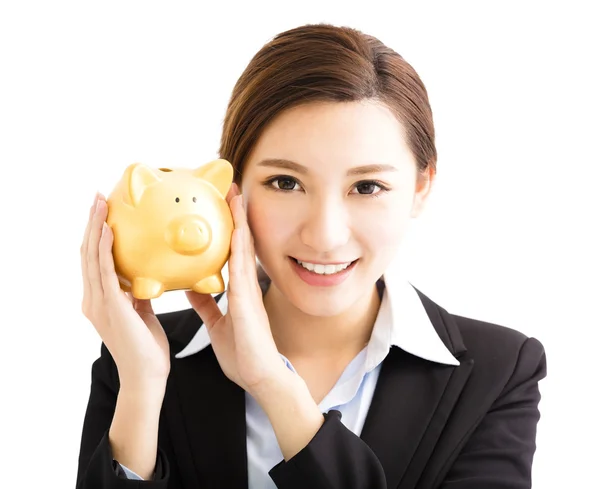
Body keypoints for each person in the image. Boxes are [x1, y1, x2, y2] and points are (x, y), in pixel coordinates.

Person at [76, 23, 547, 489]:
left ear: (420, 188)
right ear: (228, 188)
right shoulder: (143, 358)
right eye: (286, 183)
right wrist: (141, 389)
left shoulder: (499, 373)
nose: (324, 235)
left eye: (367, 187)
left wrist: (276, 390)